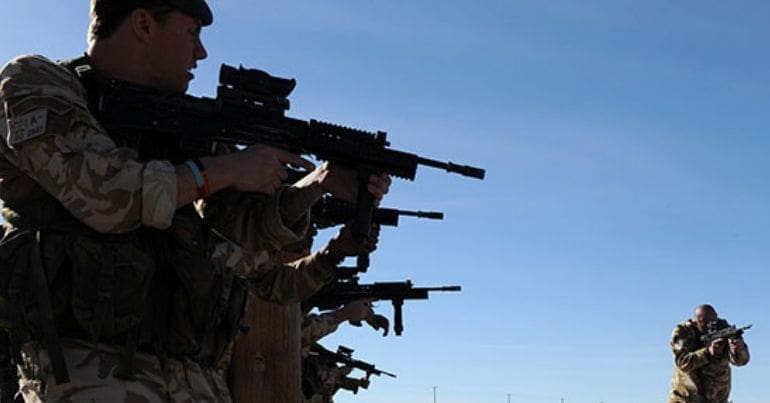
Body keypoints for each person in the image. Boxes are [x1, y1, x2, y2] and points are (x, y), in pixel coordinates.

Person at [0, 0, 389, 401]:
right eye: (191, 33)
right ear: (144, 23)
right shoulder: (38, 82)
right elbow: (108, 199)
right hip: (86, 370)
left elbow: (246, 234)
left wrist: (317, 184)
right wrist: (221, 171)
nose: (201, 52)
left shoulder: (185, 127)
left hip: (193, 378)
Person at [668, 304, 750, 403]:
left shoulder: (724, 329)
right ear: (696, 321)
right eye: (705, 323)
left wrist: (738, 349)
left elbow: (741, 361)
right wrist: (707, 352)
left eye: (713, 321)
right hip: (687, 398)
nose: (710, 326)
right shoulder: (683, 331)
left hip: (717, 398)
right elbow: (683, 363)